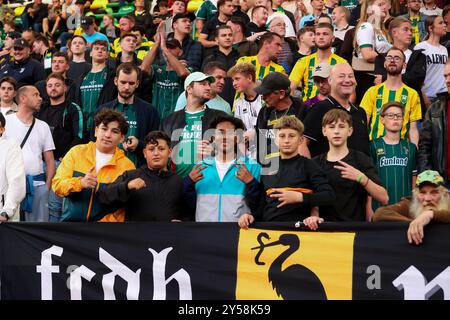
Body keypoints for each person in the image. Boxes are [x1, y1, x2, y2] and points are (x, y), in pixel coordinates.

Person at [238, 115, 335, 227]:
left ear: (300, 140)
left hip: (300, 229)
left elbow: (329, 196)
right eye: (282, 136)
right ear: (275, 140)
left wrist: (300, 197)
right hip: (269, 229)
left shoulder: (309, 165)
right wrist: (252, 216)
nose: (286, 140)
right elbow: (263, 204)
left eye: (291, 136)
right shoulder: (268, 167)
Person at [52, 109, 135, 222]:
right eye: (104, 129)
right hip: (71, 226)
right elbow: (57, 185)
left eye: (114, 131)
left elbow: (125, 206)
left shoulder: (127, 166)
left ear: (122, 138)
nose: (107, 135)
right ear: (96, 131)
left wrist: (102, 226)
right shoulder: (76, 152)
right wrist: (80, 183)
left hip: (105, 232)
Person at [184, 115, 262, 222]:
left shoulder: (253, 167)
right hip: (203, 234)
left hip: (239, 233)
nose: (225, 137)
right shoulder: (200, 167)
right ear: (212, 137)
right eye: (220, 132)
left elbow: (259, 207)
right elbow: (187, 207)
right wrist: (188, 182)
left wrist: (251, 183)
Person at [98, 131, 185, 221]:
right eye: (151, 149)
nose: (156, 153)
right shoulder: (131, 175)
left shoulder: (177, 181)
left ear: (170, 152)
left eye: (161, 149)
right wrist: (127, 186)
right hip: (135, 234)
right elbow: (104, 196)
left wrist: (181, 222)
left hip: (167, 234)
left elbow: (187, 212)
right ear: (144, 153)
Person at [4, 86, 56, 222]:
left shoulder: (43, 126)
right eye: (36, 95)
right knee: (10, 228)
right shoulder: (6, 123)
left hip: (37, 185)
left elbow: (50, 160)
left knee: (37, 230)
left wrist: (47, 187)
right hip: (9, 186)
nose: (40, 98)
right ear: (23, 99)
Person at [37, 72, 84, 222]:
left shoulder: (72, 108)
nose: (53, 88)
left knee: (55, 205)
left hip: (61, 163)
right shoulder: (41, 109)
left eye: (57, 85)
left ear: (65, 87)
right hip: (40, 163)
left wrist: (68, 157)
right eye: (50, 86)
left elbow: (81, 135)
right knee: (37, 204)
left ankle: (54, 239)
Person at [160, 72, 227, 178]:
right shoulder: (169, 120)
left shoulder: (220, 117)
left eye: (208, 84)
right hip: (177, 183)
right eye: (203, 84)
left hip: (209, 182)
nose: (208, 88)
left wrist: (216, 151)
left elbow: (234, 147)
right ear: (189, 89)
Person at [97, 62, 160, 167]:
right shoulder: (102, 110)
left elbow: (156, 144)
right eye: (123, 82)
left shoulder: (150, 111)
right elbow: (94, 141)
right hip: (107, 171)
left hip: (139, 171)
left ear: (137, 83)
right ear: (116, 81)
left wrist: (139, 145)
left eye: (131, 83)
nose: (126, 87)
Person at [302, 62, 370, 158]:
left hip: (360, 172)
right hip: (328, 171)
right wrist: (312, 171)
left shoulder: (360, 112)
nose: (347, 80)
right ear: (330, 80)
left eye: (351, 76)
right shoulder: (320, 109)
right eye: (341, 76)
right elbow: (301, 143)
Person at [360, 47, 421, 146]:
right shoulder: (372, 91)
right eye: (389, 58)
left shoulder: (412, 94)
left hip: (401, 151)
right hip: (375, 148)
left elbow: (413, 129)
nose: (392, 60)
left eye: (397, 58)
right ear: (384, 63)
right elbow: (363, 124)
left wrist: (414, 153)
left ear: (404, 65)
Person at [373, 170, 450, 246]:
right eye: (422, 193)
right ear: (416, 194)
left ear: (444, 194)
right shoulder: (410, 204)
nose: (427, 198)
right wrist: (416, 222)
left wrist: (430, 214)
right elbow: (379, 214)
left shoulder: (447, 202)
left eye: (434, 192)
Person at [370, 101, 417, 212]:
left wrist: (415, 203)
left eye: (399, 116)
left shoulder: (411, 148)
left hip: (405, 207)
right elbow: (369, 179)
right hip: (379, 207)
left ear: (403, 120)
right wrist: (368, 207)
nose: (395, 118)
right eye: (390, 115)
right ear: (382, 120)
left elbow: (414, 178)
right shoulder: (373, 145)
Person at [254, 72, 308, 164]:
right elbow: (260, 142)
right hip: (270, 167)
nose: (263, 97)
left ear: (281, 93)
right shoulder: (264, 112)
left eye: (267, 93)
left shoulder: (302, 110)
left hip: (293, 166)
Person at [290, 23, 346, 101]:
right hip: (308, 108)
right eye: (318, 34)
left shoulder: (342, 63)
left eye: (325, 34)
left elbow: (350, 93)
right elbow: (291, 88)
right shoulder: (303, 61)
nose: (321, 37)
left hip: (332, 109)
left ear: (333, 38)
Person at [144, 30, 190, 119]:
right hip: (156, 118)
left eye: (171, 47)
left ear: (180, 52)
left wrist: (164, 48)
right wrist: (157, 43)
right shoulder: (158, 69)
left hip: (176, 119)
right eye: (166, 47)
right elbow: (144, 68)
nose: (168, 50)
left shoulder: (187, 69)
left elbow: (183, 73)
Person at [75, 40, 117, 138]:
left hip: (104, 126)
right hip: (83, 127)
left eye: (103, 49)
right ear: (90, 53)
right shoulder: (82, 78)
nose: (100, 51)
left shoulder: (112, 76)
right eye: (96, 49)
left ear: (107, 55)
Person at [352, 0, 392, 104]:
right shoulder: (366, 26)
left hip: (378, 76)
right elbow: (367, 54)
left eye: (385, 4)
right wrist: (391, 58)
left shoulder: (381, 30)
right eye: (379, 5)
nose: (385, 7)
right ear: (369, 10)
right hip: (368, 79)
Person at [417, 60, 450, 183]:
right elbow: (424, 146)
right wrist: (427, 177)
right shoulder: (435, 109)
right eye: (445, 76)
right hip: (442, 181)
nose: (447, 80)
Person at [229, 62, 264, 158]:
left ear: (249, 78)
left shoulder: (266, 98)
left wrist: (255, 132)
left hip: (268, 149)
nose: (234, 83)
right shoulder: (238, 103)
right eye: (233, 80)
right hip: (249, 154)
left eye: (237, 79)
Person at [414, 15, 448, 107]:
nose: (444, 25)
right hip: (428, 96)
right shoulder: (420, 47)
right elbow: (416, 76)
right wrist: (423, 97)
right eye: (440, 23)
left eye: (444, 23)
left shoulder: (444, 49)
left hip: (443, 95)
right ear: (430, 28)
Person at [202, 25, 240, 105]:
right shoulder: (209, 59)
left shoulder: (241, 58)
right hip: (215, 103)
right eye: (223, 35)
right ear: (216, 39)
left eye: (230, 35)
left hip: (238, 102)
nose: (227, 38)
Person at [0, 112, 26, 222]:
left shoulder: (10, 147)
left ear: (1, 129)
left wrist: (6, 212)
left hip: (3, 217)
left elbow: (17, 181)